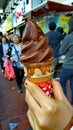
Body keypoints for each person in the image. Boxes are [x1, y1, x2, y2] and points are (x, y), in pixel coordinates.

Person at [59, 17, 73, 105]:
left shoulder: (69, 37)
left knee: (62, 83)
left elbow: (61, 51)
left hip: (68, 66)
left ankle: (64, 104)